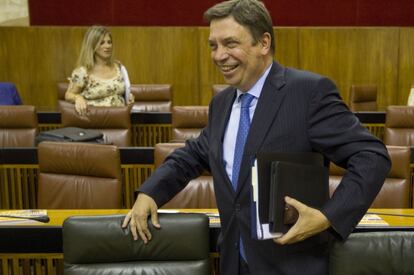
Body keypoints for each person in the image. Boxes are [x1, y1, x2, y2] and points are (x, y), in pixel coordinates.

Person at [122, 0, 391, 274]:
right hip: (233, 264)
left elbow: (372, 156)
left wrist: (327, 216)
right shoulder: (222, 104)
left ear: (264, 43)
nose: (218, 55)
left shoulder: (308, 93)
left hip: (292, 266)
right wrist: (150, 193)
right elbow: (192, 155)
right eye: (213, 46)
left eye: (230, 43)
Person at [65, 25, 134, 116]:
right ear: (92, 45)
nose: (108, 46)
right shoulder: (82, 72)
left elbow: (125, 93)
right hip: (94, 121)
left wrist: (130, 98)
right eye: (102, 43)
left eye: (109, 42)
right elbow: (68, 94)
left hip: (120, 120)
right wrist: (78, 98)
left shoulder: (118, 67)